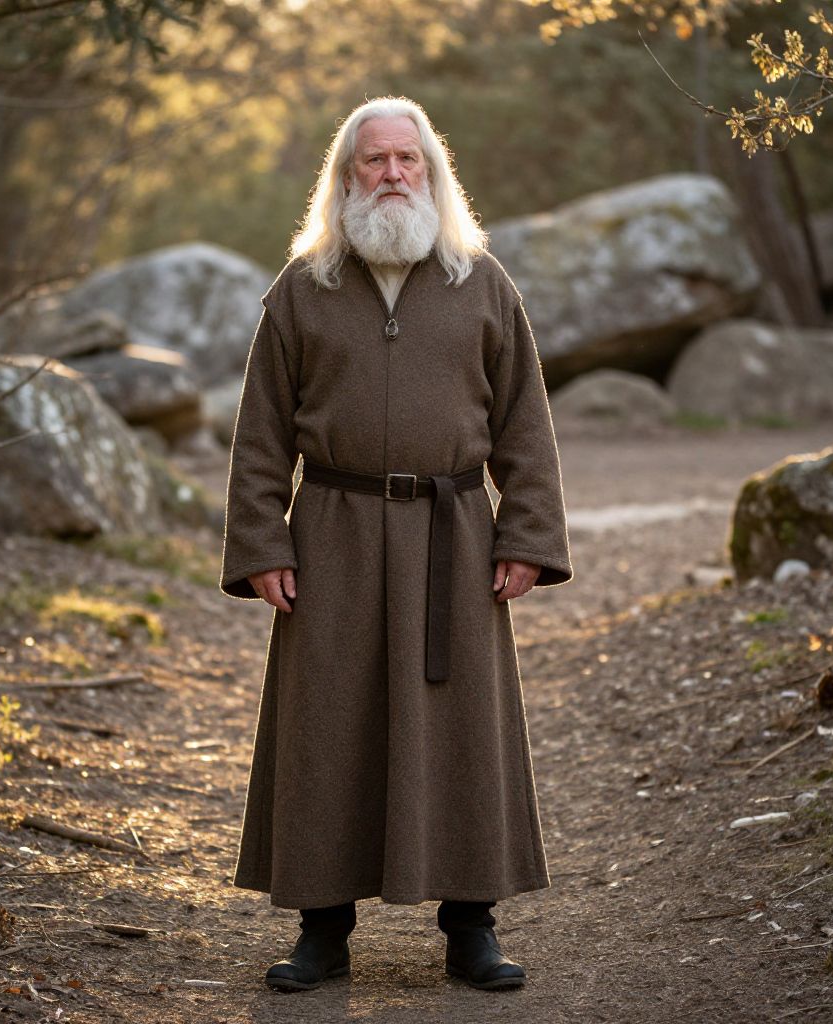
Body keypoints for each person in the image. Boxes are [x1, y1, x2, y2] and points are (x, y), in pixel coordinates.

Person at [219, 95, 574, 992]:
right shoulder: (302, 291)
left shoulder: (482, 283)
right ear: (344, 178)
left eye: (406, 161)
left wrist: (526, 531)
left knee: (461, 728)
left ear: (432, 172)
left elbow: (526, 426)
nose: (390, 175)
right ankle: (322, 930)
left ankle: (472, 928)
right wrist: (263, 541)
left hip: (453, 533)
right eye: (372, 161)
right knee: (326, 722)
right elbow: (260, 433)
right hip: (332, 534)